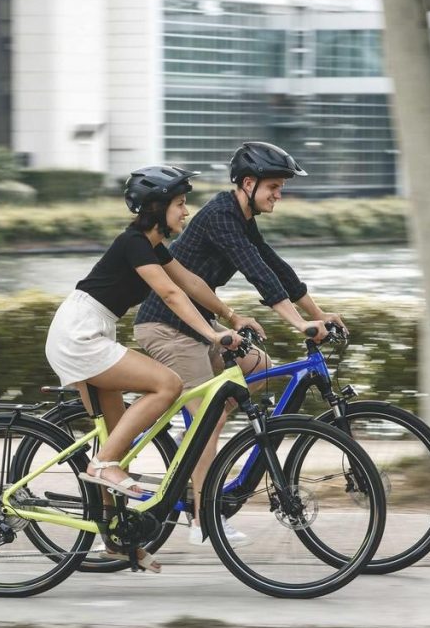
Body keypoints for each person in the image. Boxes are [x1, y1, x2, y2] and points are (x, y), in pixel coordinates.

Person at [133, 142, 348, 547]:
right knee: (208, 420)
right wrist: (301, 325)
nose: (278, 195)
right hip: (168, 327)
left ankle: (190, 446)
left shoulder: (242, 217)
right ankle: (203, 516)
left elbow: (275, 267)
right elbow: (257, 275)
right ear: (248, 183)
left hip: (199, 328)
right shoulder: (220, 216)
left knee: (262, 370)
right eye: (273, 186)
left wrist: (317, 314)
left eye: (281, 187)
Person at [44, 165, 258, 570]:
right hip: (80, 336)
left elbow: (191, 284)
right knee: (167, 384)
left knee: (115, 436)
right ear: (156, 208)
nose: (186, 212)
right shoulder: (134, 244)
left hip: (92, 333)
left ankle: (114, 540)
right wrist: (211, 336)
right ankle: (103, 465)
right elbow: (171, 294)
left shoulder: (153, 246)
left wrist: (231, 317)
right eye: (179, 204)